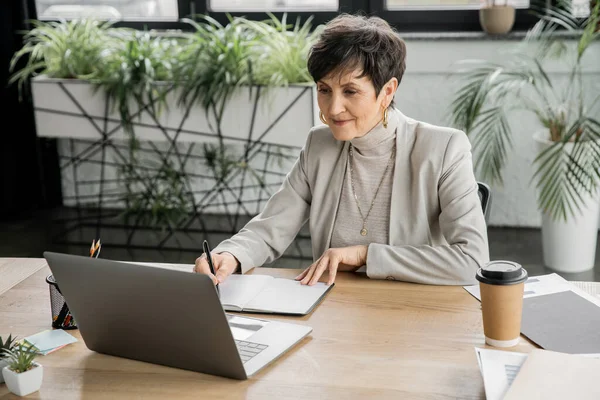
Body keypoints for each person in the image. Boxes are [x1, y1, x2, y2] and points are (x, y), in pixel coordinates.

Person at [194, 13, 489, 287]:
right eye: (324, 90)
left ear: (387, 91)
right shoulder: (318, 145)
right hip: (331, 310)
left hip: (413, 315)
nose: (333, 109)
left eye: (350, 91)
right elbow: (271, 227)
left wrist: (364, 255)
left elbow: (473, 261)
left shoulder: (444, 148)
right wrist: (230, 256)